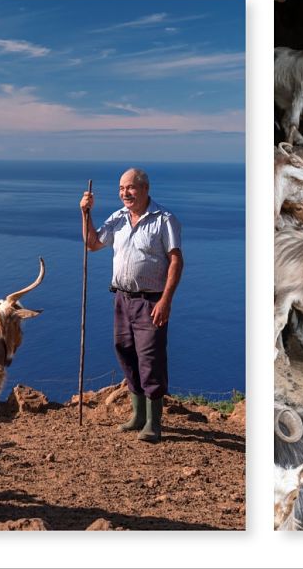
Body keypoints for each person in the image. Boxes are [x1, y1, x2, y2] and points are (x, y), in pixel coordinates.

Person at [81, 168, 183, 443]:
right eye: (121, 188)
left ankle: (154, 423)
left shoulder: (164, 219)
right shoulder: (118, 218)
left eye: (131, 188)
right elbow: (92, 244)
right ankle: (137, 416)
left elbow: (175, 260)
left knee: (150, 359)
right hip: (122, 299)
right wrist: (86, 213)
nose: (125, 193)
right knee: (125, 352)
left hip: (151, 301)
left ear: (145, 188)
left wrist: (165, 300)